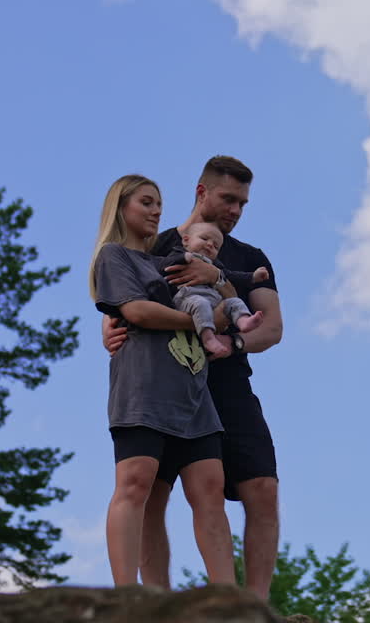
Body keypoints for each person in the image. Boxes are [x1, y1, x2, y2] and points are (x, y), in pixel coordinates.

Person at [103, 156, 283, 599]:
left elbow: (271, 328)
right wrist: (111, 325)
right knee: (152, 490)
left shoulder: (249, 258)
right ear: (202, 192)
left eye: (243, 203)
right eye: (228, 199)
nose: (236, 210)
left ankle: (252, 604)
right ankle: (156, 599)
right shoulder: (157, 243)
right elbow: (127, 298)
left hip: (227, 382)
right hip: (167, 378)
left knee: (261, 486)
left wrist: (228, 332)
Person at [88, 174, 236, 587]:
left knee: (210, 490)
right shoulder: (114, 257)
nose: (156, 211)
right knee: (134, 485)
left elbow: (224, 293)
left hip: (192, 392)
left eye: (159, 204)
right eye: (146, 203)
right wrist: (199, 321)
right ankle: (128, 597)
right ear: (121, 207)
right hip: (143, 390)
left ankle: (229, 600)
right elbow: (136, 312)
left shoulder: (174, 256)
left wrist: (219, 289)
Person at [156, 220, 267, 357]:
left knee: (234, 302)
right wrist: (183, 257)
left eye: (215, 246)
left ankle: (243, 321)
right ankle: (208, 338)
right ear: (186, 240)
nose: (209, 245)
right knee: (200, 304)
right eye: (204, 238)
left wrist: (253, 277)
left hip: (214, 300)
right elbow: (162, 266)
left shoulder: (215, 265)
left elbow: (231, 276)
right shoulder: (177, 253)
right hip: (187, 298)